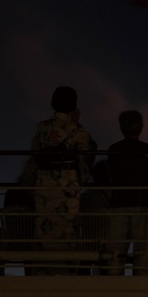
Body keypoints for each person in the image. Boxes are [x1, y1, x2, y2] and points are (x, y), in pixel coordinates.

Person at [30, 86, 96, 271]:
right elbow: (89, 151)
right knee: (67, 226)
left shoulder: (41, 128)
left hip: (44, 184)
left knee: (43, 226)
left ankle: (41, 270)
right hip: (66, 185)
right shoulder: (76, 130)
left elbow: (34, 151)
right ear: (73, 106)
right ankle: (66, 271)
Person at [105, 110, 148, 276]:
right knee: (142, 252)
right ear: (141, 127)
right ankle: (140, 286)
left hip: (119, 202)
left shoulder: (114, 149)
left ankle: (115, 286)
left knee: (116, 250)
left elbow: (111, 174)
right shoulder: (147, 149)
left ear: (121, 127)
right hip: (143, 203)